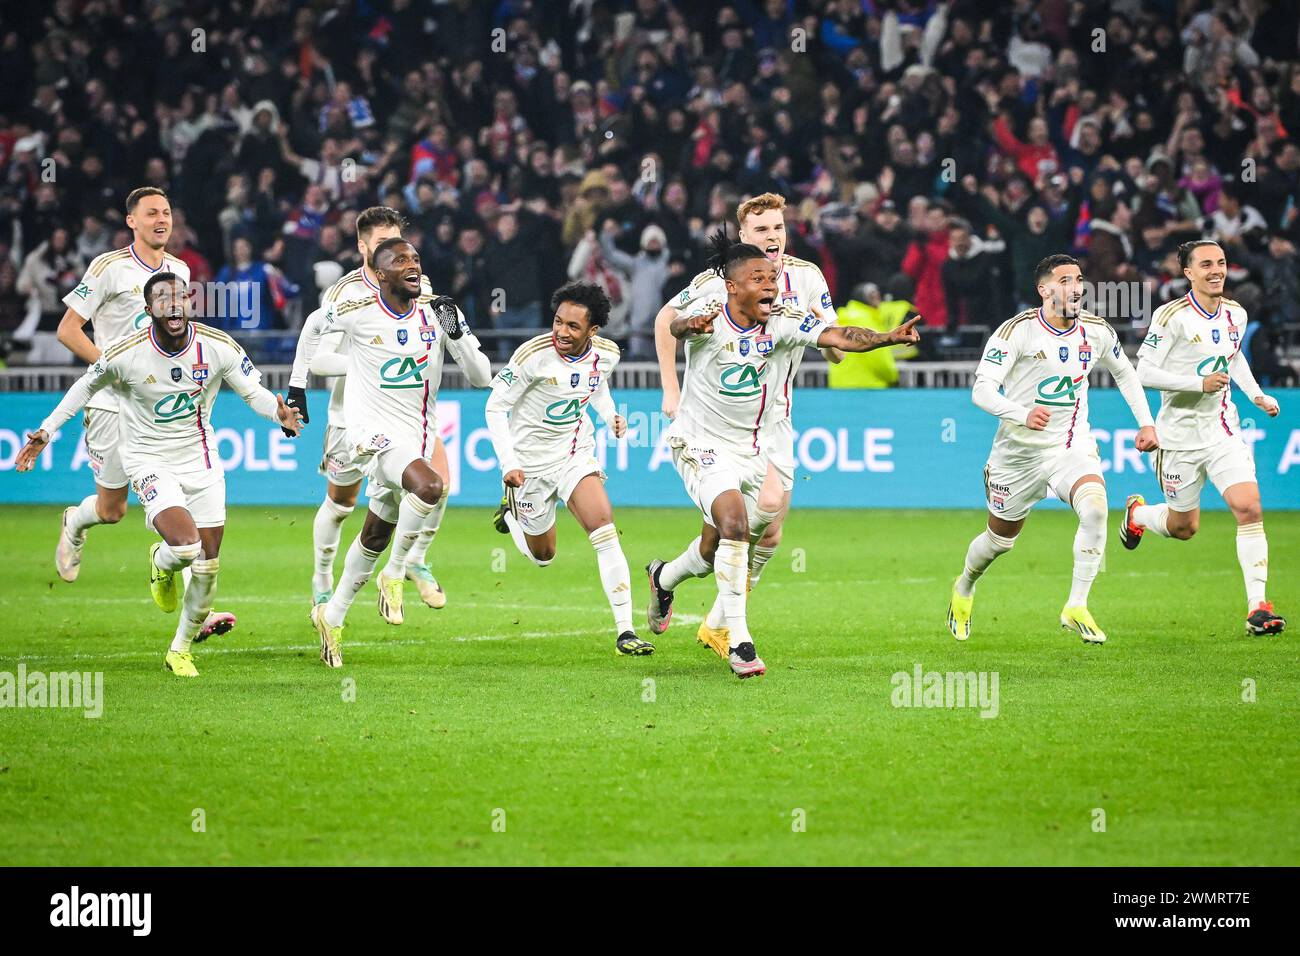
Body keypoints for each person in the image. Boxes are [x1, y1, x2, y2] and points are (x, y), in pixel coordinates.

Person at [646, 237, 921, 677]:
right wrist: (687, 327)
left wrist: (886, 338)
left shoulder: (784, 321)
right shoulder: (710, 311)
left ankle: (663, 578)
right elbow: (673, 325)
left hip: (755, 448)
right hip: (700, 441)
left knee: (722, 542)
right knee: (734, 523)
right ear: (732, 287)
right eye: (758, 279)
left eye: (772, 278)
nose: (771, 285)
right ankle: (739, 641)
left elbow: (838, 336)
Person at [16, 272, 303, 676]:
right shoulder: (126, 352)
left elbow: (253, 391)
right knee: (185, 547)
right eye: (163, 298)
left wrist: (279, 414)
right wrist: (46, 430)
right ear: (149, 309)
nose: (174, 304)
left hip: (201, 460)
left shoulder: (217, 346)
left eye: (180, 297)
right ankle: (161, 561)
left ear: (190, 304)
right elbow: (83, 387)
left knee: (207, 568)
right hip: (148, 459)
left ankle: (179, 650)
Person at [653, 193, 842, 655]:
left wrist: (830, 336)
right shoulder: (723, 279)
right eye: (761, 230)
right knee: (756, 520)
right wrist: (670, 388)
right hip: (721, 424)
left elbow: (833, 345)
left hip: (776, 418)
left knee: (755, 532)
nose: (772, 236)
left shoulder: (808, 277)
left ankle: (673, 580)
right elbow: (665, 318)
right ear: (743, 236)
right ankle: (724, 626)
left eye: (778, 227)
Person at [296, 239, 491, 667]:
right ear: (379, 274)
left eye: (416, 258)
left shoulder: (438, 312)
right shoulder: (359, 311)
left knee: (374, 535)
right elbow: (312, 331)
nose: (411, 265)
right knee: (430, 485)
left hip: (416, 435)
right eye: (399, 260)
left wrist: (456, 331)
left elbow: (481, 377)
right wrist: (296, 385)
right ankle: (397, 571)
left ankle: (333, 615)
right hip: (370, 434)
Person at [947, 254, 1159, 645]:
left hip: (1070, 445)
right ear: (1044, 289)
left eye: (1078, 279)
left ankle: (1076, 605)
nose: (1075, 287)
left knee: (1095, 507)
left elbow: (1125, 373)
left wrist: (1147, 422)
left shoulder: (1095, 331)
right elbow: (981, 390)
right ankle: (964, 587)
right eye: (1064, 280)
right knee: (998, 542)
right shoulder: (1016, 332)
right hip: (1017, 456)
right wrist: (1021, 413)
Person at [287, 206, 459, 612]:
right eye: (383, 244)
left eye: (400, 243)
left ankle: (412, 561)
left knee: (437, 484)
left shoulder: (419, 285)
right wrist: (370, 364)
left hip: (404, 416)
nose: (396, 253)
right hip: (350, 418)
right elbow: (319, 357)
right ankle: (322, 579)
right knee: (341, 505)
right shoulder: (344, 293)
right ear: (363, 246)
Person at [1120, 240, 1285, 636]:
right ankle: (1138, 514)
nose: (1216, 270)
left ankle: (1258, 608)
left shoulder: (1236, 314)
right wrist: (1199, 383)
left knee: (1249, 508)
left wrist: (1256, 394)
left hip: (1223, 431)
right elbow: (1144, 372)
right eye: (1206, 264)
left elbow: (1233, 355)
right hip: (1177, 439)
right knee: (1184, 528)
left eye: (1222, 262)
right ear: (1188, 273)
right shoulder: (1170, 316)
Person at [485, 281, 653, 656]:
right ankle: (513, 516)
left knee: (604, 528)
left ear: (592, 331)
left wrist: (609, 415)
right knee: (544, 557)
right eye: (558, 322)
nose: (561, 331)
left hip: (575, 453)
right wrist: (509, 463)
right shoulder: (532, 356)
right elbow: (495, 407)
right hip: (529, 467)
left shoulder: (607, 353)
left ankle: (625, 631)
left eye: (573, 326)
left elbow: (597, 385)